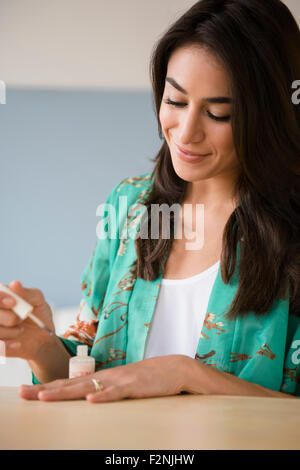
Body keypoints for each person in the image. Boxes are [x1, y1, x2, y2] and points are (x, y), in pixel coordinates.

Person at [1, 0, 299, 402]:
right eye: (175, 101)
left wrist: (184, 374)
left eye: (218, 114)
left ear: (271, 115)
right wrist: (42, 348)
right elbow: (93, 376)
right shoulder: (129, 206)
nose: (186, 132)